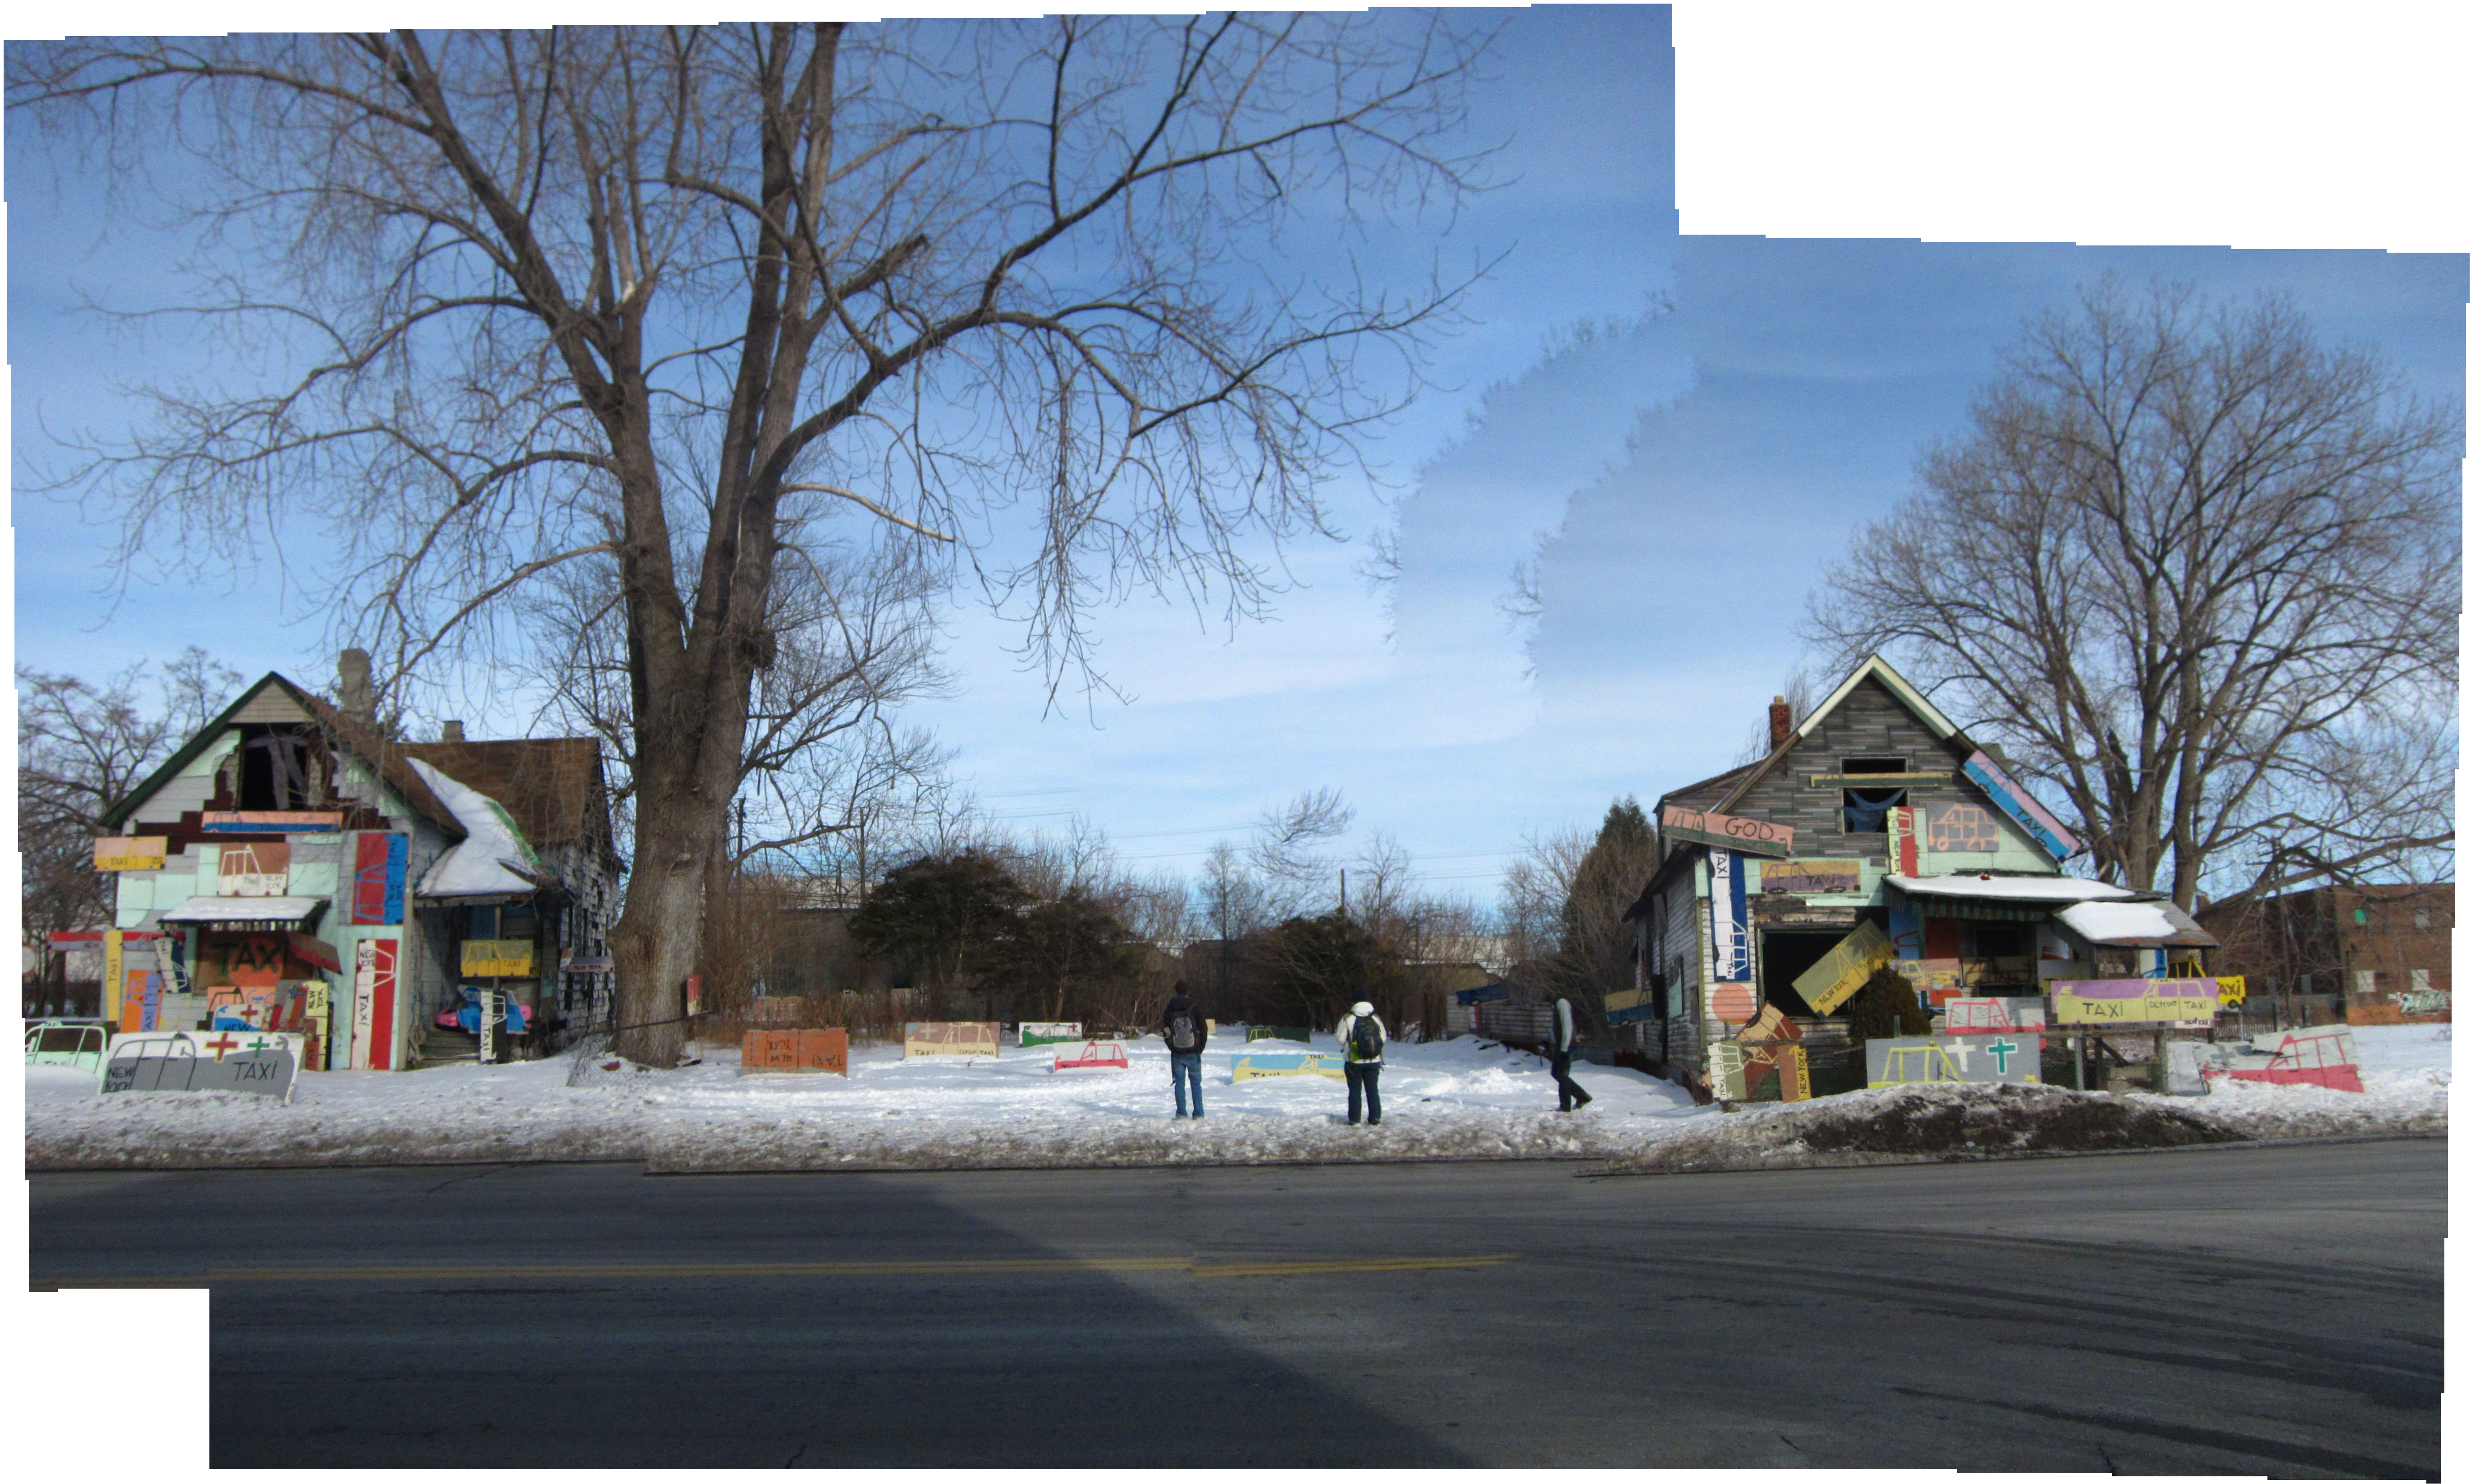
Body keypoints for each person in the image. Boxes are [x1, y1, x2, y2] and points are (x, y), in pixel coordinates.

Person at [1334, 999, 1386, 1126]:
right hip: (1374, 1060)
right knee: (1373, 1090)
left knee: (1355, 1091)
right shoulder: (1376, 1018)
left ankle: (1355, 1119)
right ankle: (1375, 1118)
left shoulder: (1348, 1018)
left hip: (1354, 1060)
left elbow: (1341, 1040)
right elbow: (1383, 1038)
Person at [1161, 980, 1208, 1119]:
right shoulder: (1195, 1007)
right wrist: (1200, 1048)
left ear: (1176, 991)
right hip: (1194, 1051)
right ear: (1188, 991)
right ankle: (1199, 1114)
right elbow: (1204, 1030)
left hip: (1177, 1052)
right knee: (1196, 1084)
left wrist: (1172, 1046)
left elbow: (1165, 1030)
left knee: (1179, 1084)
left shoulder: (1170, 1009)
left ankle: (1181, 1113)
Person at [1550, 995, 1593, 1112]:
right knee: (1556, 1073)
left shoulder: (1562, 1003)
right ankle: (1582, 1096)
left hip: (1567, 1044)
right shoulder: (1559, 1004)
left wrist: (1564, 1048)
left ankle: (1565, 1106)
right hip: (1564, 1043)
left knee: (1562, 1075)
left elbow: (1567, 1027)